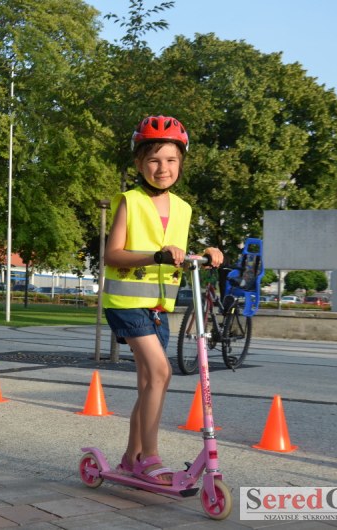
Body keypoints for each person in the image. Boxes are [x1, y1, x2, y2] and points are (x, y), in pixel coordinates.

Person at [102, 115, 223, 486]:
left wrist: (206, 254)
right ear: (140, 164)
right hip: (126, 304)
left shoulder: (183, 209)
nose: (162, 168)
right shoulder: (131, 201)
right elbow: (112, 255)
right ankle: (150, 458)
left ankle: (130, 458)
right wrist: (156, 255)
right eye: (153, 160)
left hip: (157, 309)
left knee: (149, 385)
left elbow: (176, 257)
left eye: (171, 160)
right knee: (160, 373)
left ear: (181, 163)